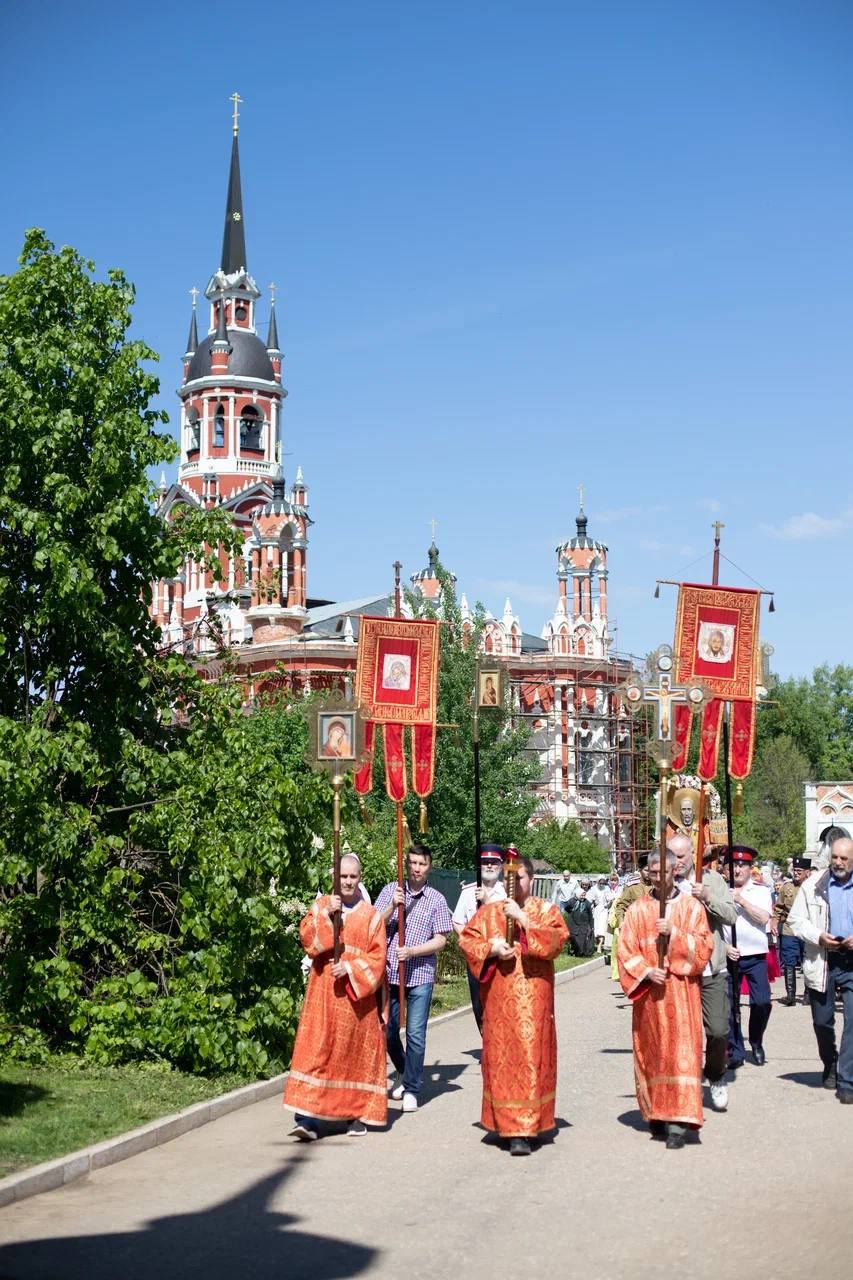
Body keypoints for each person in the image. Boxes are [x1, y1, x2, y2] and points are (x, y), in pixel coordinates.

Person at [459, 852, 569, 1156]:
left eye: (518, 877)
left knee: (532, 1060)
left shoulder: (546, 910)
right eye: (508, 877)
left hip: (534, 1003)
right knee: (500, 1060)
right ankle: (503, 1123)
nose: (513, 883)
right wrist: (492, 948)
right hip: (499, 1004)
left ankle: (525, 1127)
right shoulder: (489, 912)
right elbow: (467, 941)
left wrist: (523, 920)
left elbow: (556, 941)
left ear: (530, 879)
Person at [284, 854, 387, 1140]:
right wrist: (325, 914)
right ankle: (307, 1120)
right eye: (343, 877)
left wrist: (351, 967)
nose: (348, 881)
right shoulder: (321, 905)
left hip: (356, 1002)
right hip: (323, 995)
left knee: (351, 1057)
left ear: (360, 878)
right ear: (335, 877)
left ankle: (354, 1116)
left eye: (353, 876)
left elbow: (378, 959)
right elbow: (309, 941)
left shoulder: (372, 916)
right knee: (316, 1052)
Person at [617, 849, 713, 1149]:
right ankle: (657, 1112)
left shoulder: (691, 907)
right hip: (650, 997)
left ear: (675, 871)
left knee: (682, 1054)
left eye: (664, 872)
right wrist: (646, 971)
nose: (658, 877)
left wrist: (675, 933)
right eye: (653, 871)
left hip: (682, 994)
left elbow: (704, 948)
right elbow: (625, 949)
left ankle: (679, 1123)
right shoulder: (637, 910)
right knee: (654, 1054)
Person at [375, 843, 453, 1113]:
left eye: (422, 864)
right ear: (406, 865)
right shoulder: (391, 890)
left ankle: (411, 1089)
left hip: (420, 974)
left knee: (416, 1034)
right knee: (387, 1031)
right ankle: (403, 1069)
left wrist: (412, 951)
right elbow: (373, 924)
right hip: (391, 974)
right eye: (413, 863)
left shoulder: (437, 899)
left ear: (429, 867)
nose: (417, 868)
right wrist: (392, 906)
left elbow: (441, 940)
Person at [668, 833, 736, 1113]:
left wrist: (707, 897)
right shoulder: (665, 884)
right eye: (672, 856)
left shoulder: (712, 880)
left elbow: (731, 916)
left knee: (718, 1031)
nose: (676, 862)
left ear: (693, 855)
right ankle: (682, 1085)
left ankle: (716, 1074)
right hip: (678, 971)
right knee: (680, 1034)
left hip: (711, 969)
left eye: (681, 856)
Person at [788, 836, 853, 1102]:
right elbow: (795, 920)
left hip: (851, 961)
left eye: (844, 858)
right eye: (834, 857)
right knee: (822, 1021)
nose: (838, 862)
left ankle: (847, 1080)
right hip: (823, 960)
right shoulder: (813, 885)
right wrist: (818, 936)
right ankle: (830, 1062)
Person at [723, 845, 773, 1068]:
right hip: (729, 956)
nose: (738, 870)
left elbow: (763, 918)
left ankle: (756, 1040)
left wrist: (741, 900)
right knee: (729, 1006)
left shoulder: (761, 891)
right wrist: (724, 947)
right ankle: (735, 1050)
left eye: (742, 865)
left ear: (750, 868)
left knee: (762, 1002)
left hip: (755, 956)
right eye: (734, 865)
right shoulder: (720, 890)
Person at [452, 845, 507, 1032]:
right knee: (479, 1006)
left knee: (500, 1003)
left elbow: (507, 922)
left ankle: (499, 1042)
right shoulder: (468, 892)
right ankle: (487, 1040)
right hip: (477, 959)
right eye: (485, 862)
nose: (489, 866)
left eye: (494, 862)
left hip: (500, 957)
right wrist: (471, 944)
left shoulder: (506, 892)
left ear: (500, 866)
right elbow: (457, 922)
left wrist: (487, 901)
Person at [772, 856, 812, 1006]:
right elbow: (779, 908)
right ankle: (790, 996)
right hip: (789, 929)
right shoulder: (786, 887)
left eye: (799, 871)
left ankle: (808, 995)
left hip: (807, 929)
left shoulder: (813, 887)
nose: (796, 873)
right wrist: (774, 922)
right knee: (789, 961)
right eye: (795, 870)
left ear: (807, 872)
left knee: (807, 961)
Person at [610, 855, 653, 981]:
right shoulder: (632, 887)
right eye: (646, 870)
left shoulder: (659, 886)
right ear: (640, 870)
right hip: (636, 930)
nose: (649, 873)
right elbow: (621, 906)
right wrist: (621, 922)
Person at [665, 788, 711, 858]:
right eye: (684, 809)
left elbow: (707, 848)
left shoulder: (702, 828)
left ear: (694, 811)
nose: (686, 813)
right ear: (680, 812)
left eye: (689, 809)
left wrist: (710, 849)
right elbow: (668, 850)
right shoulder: (672, 829)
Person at [565, 879, 595, 957]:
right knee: (573, 938)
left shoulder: (587, 903)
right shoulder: (572, 901)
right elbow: (566, 908)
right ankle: (574, 951)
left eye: (584, 895)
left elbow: (590, 915)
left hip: (583, 924)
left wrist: (591, 926)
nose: (583, 897)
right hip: (573, 923)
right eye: (581, 895)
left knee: (581, 939)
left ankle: (580, 953)